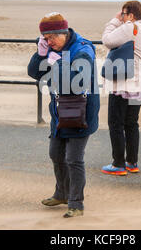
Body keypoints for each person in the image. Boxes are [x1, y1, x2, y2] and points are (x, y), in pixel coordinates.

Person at [27, 12, 100, 218]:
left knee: (73, 159)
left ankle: (76, 203)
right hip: (59, 111)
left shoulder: (83, 49)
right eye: (45, 39)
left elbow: (77, 83)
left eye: (51, 38)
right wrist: (41, 55)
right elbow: (35, 72)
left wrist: (56, 63)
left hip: (80, 112)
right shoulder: (51, 48)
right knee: (56, 154)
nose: (49, 42)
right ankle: (61, 193)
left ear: (63, 33)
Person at [100, 1, 141, 175]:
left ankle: (118, 164)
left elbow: (107, 40)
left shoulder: (130, 27)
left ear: (130, 15)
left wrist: (114, 21)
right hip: (139, 84)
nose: (122, 17)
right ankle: (132, 162)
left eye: (124, 14)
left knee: (115, 123)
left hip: (123, 84)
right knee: (132, 124)